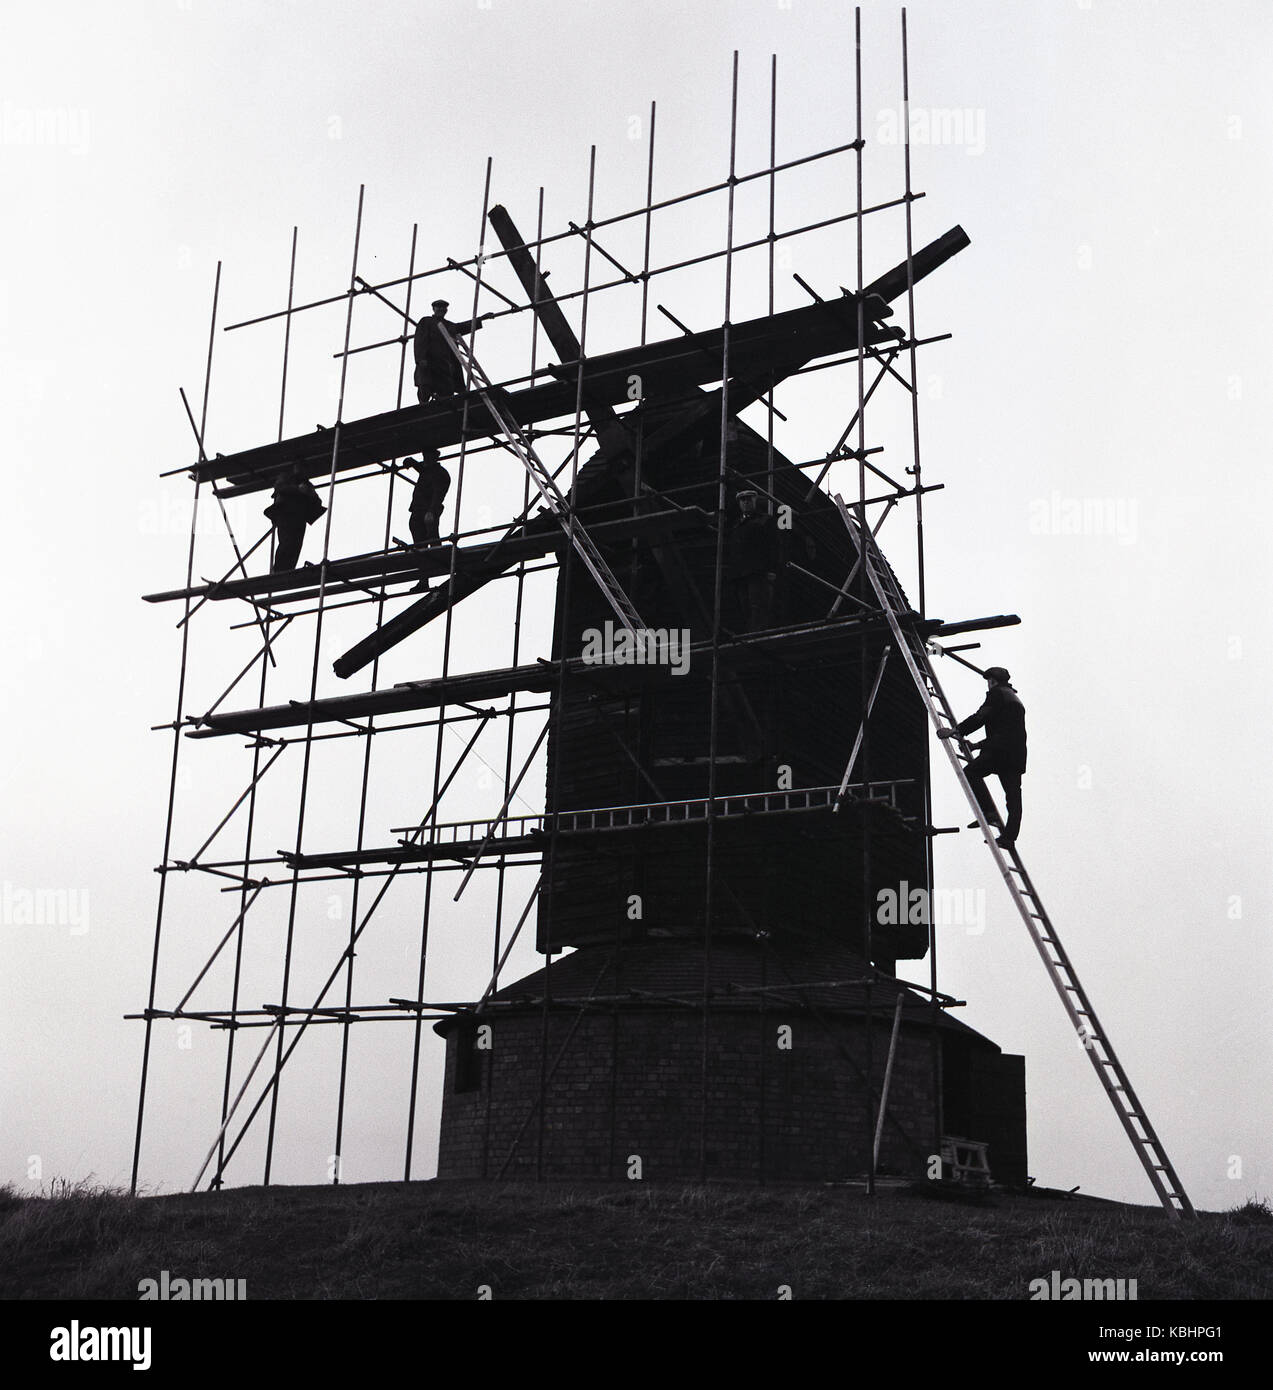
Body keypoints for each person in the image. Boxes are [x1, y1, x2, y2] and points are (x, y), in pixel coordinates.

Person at [938, 666, 1026, 847]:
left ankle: (988, 812)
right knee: (1013, 796)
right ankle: (1009, 837)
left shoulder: (997, 694)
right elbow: (1007, 732)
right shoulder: (1014, 699)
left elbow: (981, 717)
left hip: (1000, 753)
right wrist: (978, 745)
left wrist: (955, 731)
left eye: (989, 681)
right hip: (1014, 754)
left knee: (970, 773)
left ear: (993, 681)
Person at [725, 489, 780, 632]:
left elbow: (774, 546)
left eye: (749, 499)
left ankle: (757, 636)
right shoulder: (736, 525)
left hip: (758, 571)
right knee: (745, 606)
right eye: (743, 500)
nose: (746, 502)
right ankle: (750, 634)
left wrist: (772, 569)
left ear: (755, 501)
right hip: (740, 573)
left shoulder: (765, 520)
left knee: (759, 605)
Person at [413, 299, 485, 405]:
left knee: (446, 387)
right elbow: (420, 340)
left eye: (444, 307)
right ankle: (423, 404)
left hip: (445, 362)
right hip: (430, 360)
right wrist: (420, 358)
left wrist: (481, 319)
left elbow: (464, 326)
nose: (442, 309)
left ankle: (445, 404)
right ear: (434, 309)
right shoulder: (427, 321)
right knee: (426, 385)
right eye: (439, 307)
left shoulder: (449, 325)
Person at [264, 464, 325, 573]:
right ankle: (279, 570)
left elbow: (317, 501)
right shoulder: (285, 478)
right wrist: (298, 489)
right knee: (287, 543)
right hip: (286, 515)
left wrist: (310, 493)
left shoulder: (306, 483)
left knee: (295, 545)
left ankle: (288, 570)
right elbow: (280, 488)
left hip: (299, 518)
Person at [406, 451, 451, 591]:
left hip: (427, 511)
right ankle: (424, 580)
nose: (424, 460)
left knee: (429, 542)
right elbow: (423, 470)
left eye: (426, 457)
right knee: (421, 547)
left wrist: (431, 511)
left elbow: (438, 493)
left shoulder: (439, 473)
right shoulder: (428, 470)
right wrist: (412, 462)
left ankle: (441, 560)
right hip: (419, 511)